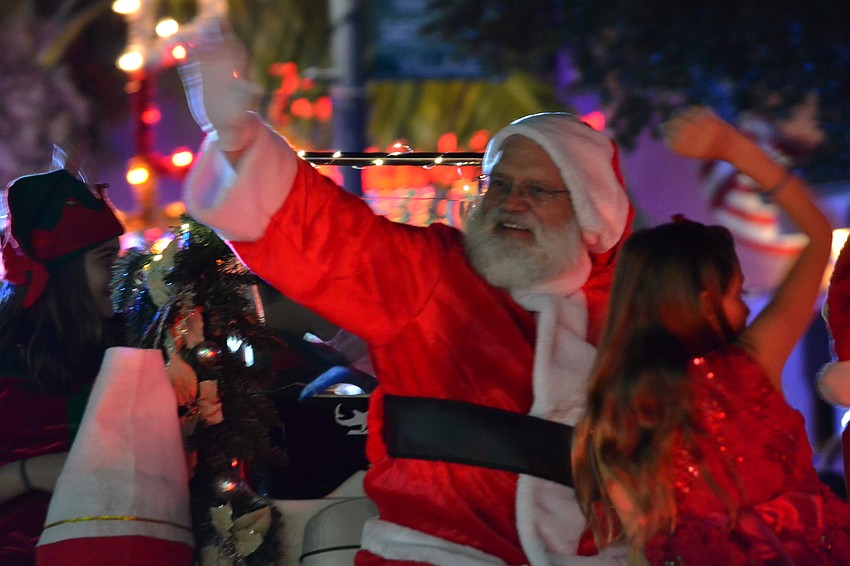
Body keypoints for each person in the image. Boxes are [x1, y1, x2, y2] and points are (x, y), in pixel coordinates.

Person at [177, 27, 632, 564]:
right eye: (499, 185)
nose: (512, 203)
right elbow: (329, 239)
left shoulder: (637, 312)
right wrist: (236, 139)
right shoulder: (434, 277)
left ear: (589, 209)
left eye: (537, 190)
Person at [572, 107, 850, 564]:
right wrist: (731, 149)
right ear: (705, 302)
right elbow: (819, 235)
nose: (744, 309)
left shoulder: (612, 413)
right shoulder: (745, 369)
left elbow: (642, 547)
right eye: (738, 293)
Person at [0, 167, 125, 564]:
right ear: (65, 273)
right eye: (106, 260)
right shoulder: (7, 363)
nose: (119, 273)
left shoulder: (122, 351)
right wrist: (31, 474)